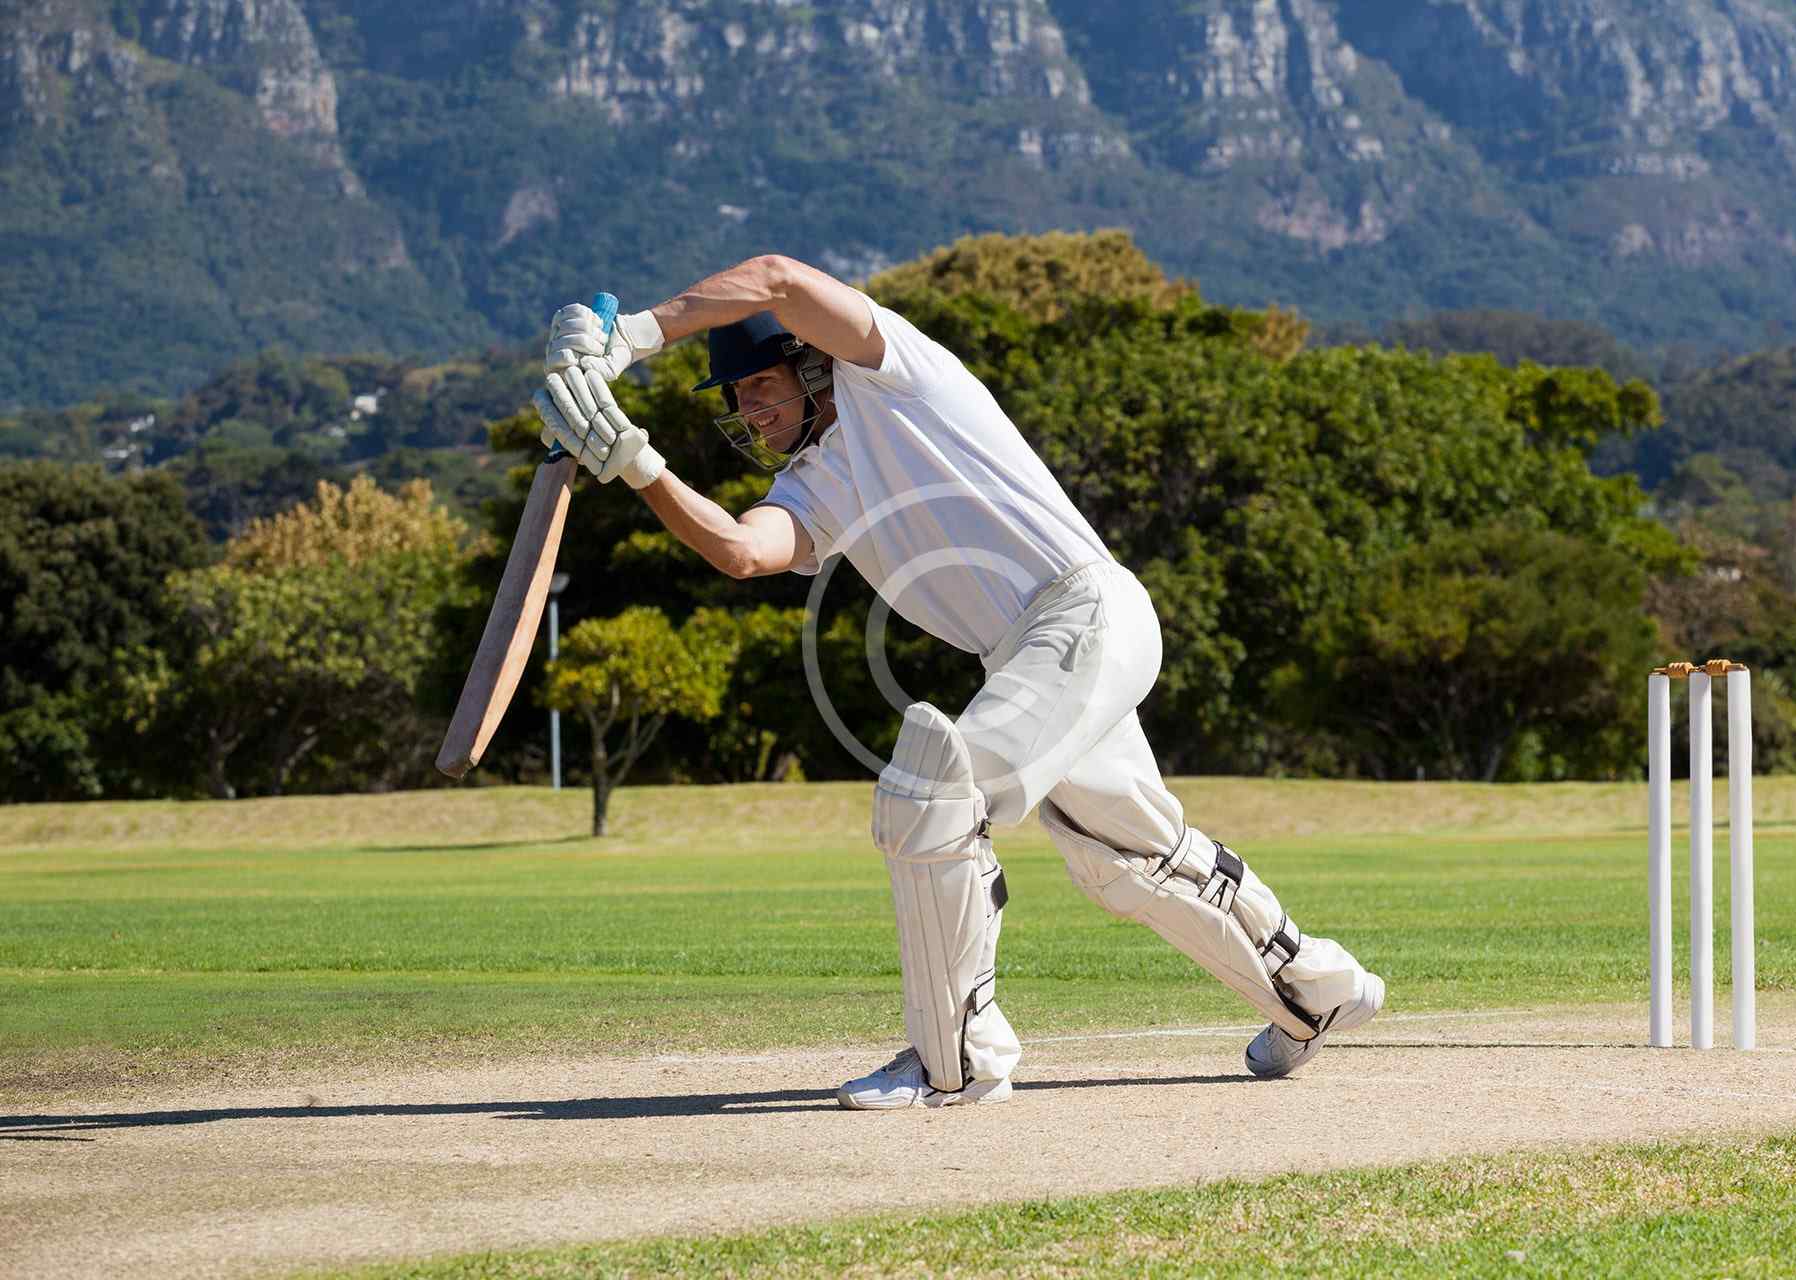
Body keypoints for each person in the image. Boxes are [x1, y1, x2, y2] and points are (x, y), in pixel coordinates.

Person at [533, 254, 1385, 1110]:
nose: (749, 410)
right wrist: (635, 462)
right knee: (1129, 859)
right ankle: (1314, 988)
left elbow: (781, 278)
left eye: (759, 384)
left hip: (1082, 610)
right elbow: (741, 550)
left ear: (810, 361)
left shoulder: (894, 376)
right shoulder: (816, 482)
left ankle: (957, 1060)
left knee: (933, 794)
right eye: (736, 397)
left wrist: (632, 337)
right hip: (1036, 651)